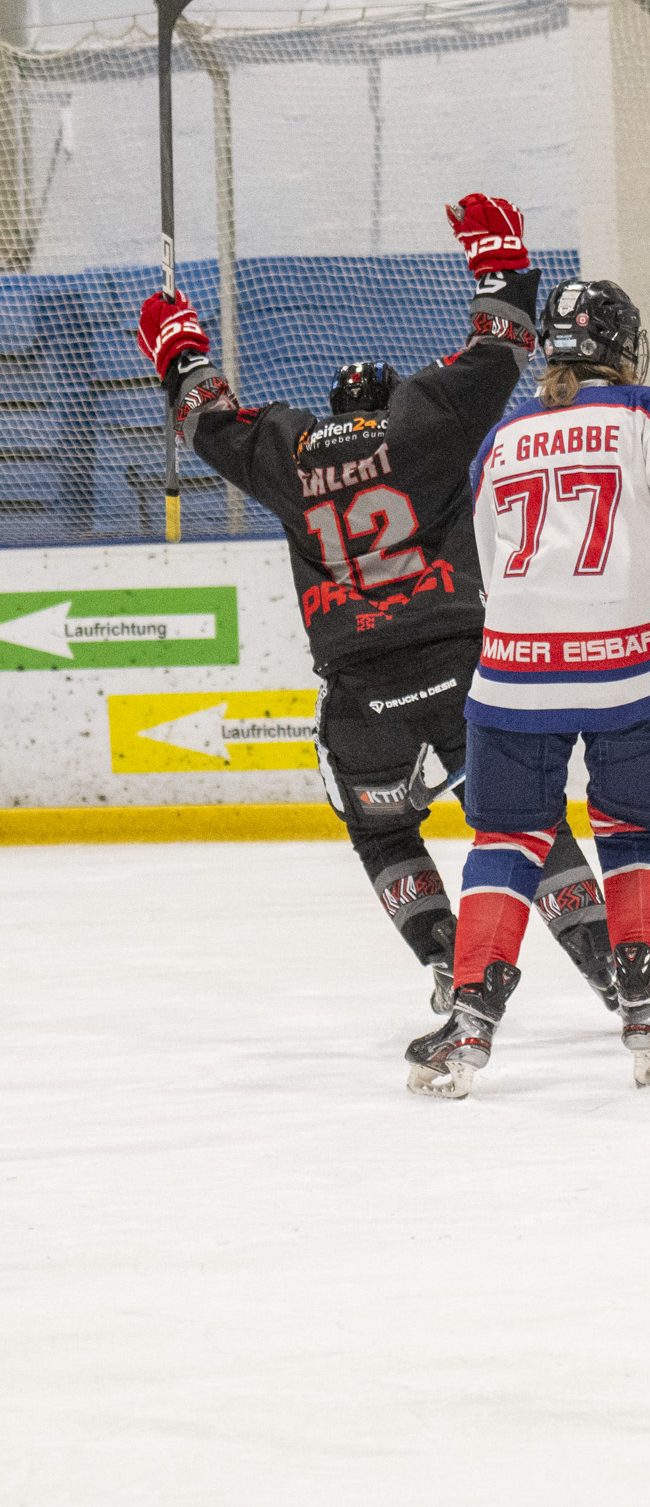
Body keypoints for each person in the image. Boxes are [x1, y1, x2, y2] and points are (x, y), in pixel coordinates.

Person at [133, 195, 613, 1020]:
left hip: (362, 702)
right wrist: (501, 265)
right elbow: (501, 350)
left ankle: (442, 955)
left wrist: (182, 356)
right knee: (527, 824)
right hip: (467, 680)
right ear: (388, 399)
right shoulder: (425, 424)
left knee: (383, 832)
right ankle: (609, 966)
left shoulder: (287, 453)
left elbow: (208, 421)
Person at [405, 278, 650, 1098]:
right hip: (632, 671)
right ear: (623, 347)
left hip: (516, 673)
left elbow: (483, 549)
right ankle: (645, 1004)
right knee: (633, 829)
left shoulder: (505, 435)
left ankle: (473, 1015)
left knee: (507, 840)